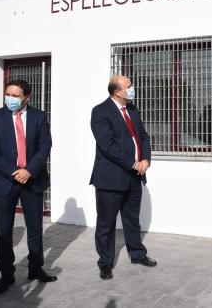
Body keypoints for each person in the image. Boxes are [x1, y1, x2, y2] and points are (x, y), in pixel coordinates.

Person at [0, 79, 57, 295]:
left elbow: (45, 146)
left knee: (35, 229)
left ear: (27, 97)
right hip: (4, 180)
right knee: (3, 233)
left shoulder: (39, 117)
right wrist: (14, 171)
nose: (10, 99)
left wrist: (29, 170)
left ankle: (35, 268)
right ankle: (6, 275)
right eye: (8, 94)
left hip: (32, 180)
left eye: (15, 96)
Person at [90, 75, 155, 280]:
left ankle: (137, 253)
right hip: (111, 178)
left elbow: (143, 136)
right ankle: (106, 262)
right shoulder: (100, 111)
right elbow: (107, 145)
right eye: (129, 86)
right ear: (117, 91)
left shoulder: (133, 109)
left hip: (135, 176)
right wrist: (132, 163)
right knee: (106, 223)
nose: (132, 89)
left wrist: (145, 159)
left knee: (132, 219)